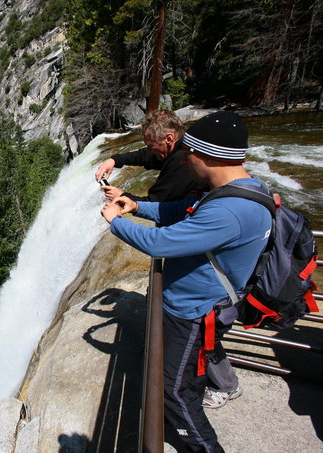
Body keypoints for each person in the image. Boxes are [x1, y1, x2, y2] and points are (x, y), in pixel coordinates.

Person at [100, 111, 271, 452]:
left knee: (174, 389)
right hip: (197, 305)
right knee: (182, 375)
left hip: (193, 312)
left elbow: (160, 243)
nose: (185, 158)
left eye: (190, 152)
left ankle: (204, 447)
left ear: (208, 155)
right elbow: (182, 211)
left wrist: (116, 221)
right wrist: (136, 206)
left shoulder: (230, 211)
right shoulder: (235, 190)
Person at [95, 109, 206, 202]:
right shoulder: (179, 148)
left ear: (169, 139)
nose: (148, 150)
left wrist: (123, 197)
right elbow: (145, 156)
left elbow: (155, 205)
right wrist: (115, 160)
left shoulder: (182, 161)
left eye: (150, 145)